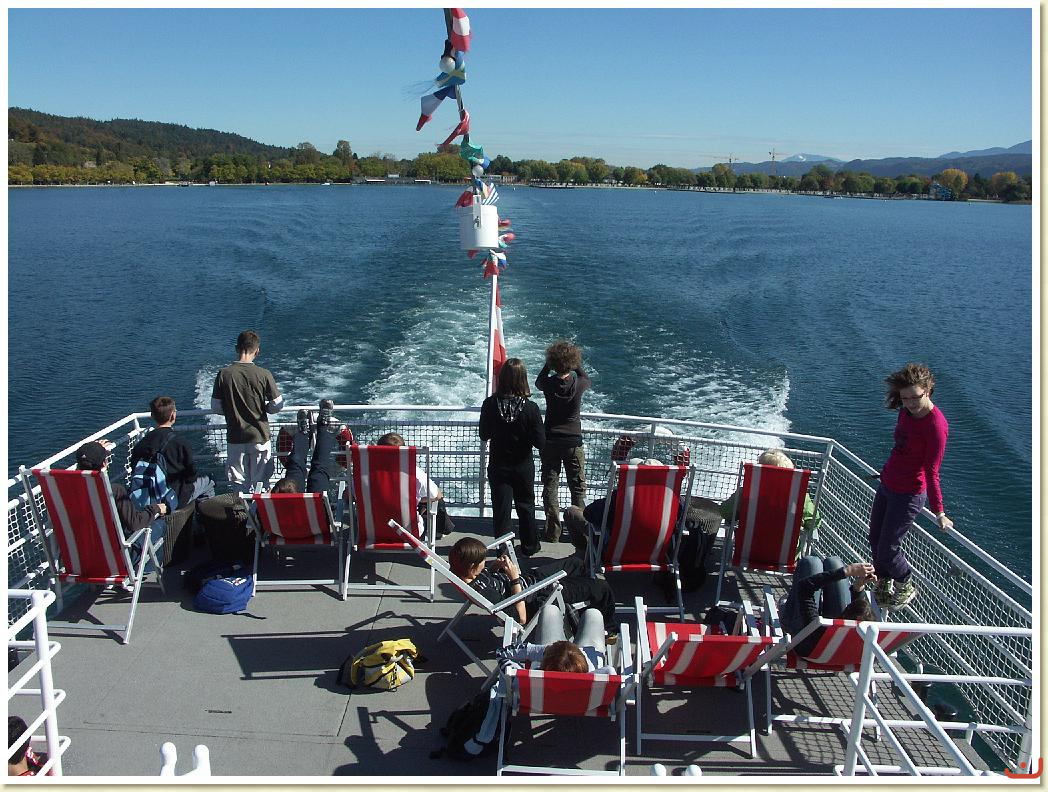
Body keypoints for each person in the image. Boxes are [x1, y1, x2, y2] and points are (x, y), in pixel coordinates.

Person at [869, 363, 952, 611]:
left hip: (908, 494)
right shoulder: (905, 412)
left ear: (928, 389)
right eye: (905, 398)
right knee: (875, 539)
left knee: (888, 548)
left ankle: (905, 582)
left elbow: (932, 471)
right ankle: (883, 582)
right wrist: (887, 472)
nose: (910, 404)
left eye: (916, 397)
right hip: (888, 483)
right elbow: (901, 448)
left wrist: (939, 512)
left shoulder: (936, 426)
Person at [448, 536, 615, 629]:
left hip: (529, 580)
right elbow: (521, 618)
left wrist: (495, 567)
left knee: (575, 564)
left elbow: (487, 577)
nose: (485, 563)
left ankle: (584, 604)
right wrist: (514, 578)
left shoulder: (465, 574)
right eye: (482, 561)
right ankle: (608, 628)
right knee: (602, 588)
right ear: (472, 565)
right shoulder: (485, 593)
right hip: (537, 594)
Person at [478, 358, 545, 556]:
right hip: (523, 466)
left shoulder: (490, 405)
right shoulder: (531, 409)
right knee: (526, 506)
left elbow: (484, 434)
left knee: (501, 510)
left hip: (499, 466)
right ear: (522, 379)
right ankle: (530, 546)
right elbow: (540, 442)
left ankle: (504, 552)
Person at [211, 330, 284, 494]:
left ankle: (243, 509)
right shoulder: (264, 374)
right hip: (260, 437)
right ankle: (259, 509)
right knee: (261, 483)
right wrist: (265, 409)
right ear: (257, 351)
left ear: (236, 348)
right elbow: (277, 404)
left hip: (235, 438)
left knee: (238, 484)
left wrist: (231, 411)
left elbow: (215, 407)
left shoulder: (224, 374)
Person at [75, 440, 169, 568]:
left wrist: (93, 451)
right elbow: (135, 523)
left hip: (81, 561)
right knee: (160, 524)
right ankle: (150, 570)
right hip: (116, 561)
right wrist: (155, 508)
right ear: (104, 463)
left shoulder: (67, 492)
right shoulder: (114, 491)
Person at [534, 341, 590, 543]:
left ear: (552, 361)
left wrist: (548, 365)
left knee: (550, 486)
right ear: (573, 362)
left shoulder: (548, 384)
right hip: (573, 443)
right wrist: (575, 364)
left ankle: (552, 532)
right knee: (577, 488)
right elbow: (586, 377)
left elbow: (539, 381)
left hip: (550, 441)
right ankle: (580, 531)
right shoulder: (579, 384)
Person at [719, 448, 821, 557]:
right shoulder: (800, 498)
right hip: (785, 557)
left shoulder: (745, 493)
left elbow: (725, 512)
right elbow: (814, 522)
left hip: (748, 554)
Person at [779, 557, 877, 657]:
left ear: (846, 613)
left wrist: (848, 571)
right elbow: (857, 616)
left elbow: (804, 587)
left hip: (807, 641)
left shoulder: (817, 630)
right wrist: (858, 586)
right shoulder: (865, 638)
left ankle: (787, 619)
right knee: (833, 562)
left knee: (811, 563)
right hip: (831, 648)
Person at [129, 396, 215, 508]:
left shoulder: (140, 444)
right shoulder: (180, 442)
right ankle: (203, 516)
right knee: (209, 481)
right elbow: (191, 476)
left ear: (152, 416)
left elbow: (134, 469)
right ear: (173, 415)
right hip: (174, 497)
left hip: (148, 498)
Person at [375, 432, 455, 538]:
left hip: (374, 532)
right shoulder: (414, 473)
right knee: (436, 501)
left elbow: (352, 496)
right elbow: (437, 495)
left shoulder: (363, 472)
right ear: (403, 453)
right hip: (408, 534)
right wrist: (416, 500)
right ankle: (441, 530)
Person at [274, 400, 339, 495]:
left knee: (295, 465)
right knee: (320, 466)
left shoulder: (272, 505)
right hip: (316, 503)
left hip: (288, 500)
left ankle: (304, 432)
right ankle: (323, 425)